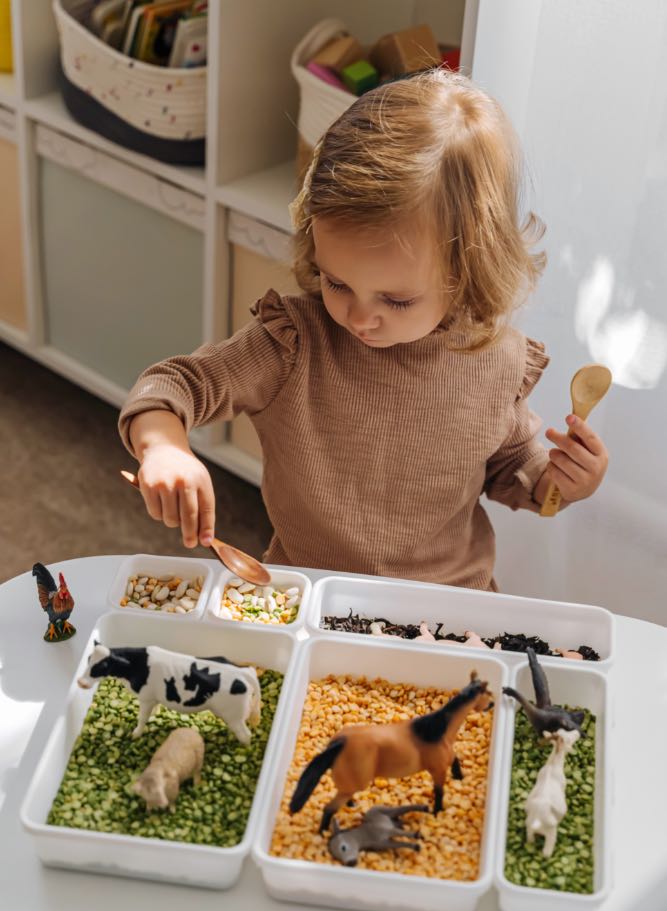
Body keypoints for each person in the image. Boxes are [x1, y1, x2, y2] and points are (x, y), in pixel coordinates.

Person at [118, 69, 608, 591]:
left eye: (396, 300)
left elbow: (511, 465)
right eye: (337, 283)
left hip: (453, 607)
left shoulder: (495, 357)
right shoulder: (294, 342)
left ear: (466, 271)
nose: (358, 317)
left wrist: (561, 481)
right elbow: (169, 387)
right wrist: (163, 445)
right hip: (310, 599)